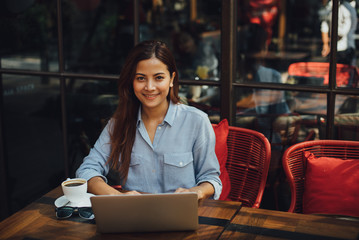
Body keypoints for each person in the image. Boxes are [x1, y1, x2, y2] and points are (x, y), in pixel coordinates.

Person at [76, 40, 222, 200]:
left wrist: (198, 191)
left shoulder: (197, 121)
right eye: (141, 78)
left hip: (182, 218)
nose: (150, 87)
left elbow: (211, 179)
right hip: (133, 218)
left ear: (172, 79)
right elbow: (87, 170)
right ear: (132, 81)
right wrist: (116, 197)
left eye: (159, 77)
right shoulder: (119, 123)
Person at [320, 0, 357, 65]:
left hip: (345, 49)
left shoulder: (348, 8)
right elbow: (324, 24)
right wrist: (326, 44)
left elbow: (343, 31)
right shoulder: (330, 6)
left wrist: (328, 43)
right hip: (334, 49)